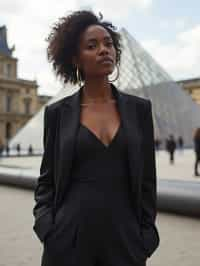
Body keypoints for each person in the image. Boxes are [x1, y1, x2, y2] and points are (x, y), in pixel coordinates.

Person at [33, 10, 159, 266]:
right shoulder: (57, 113)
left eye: (108, 43)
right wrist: (47, 228)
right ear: (75, 59)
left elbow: (147, 180)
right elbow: (46, 181)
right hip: (68, 240)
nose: (104, 50)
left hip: (126, 242)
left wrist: (147, 236)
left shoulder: (140, 109)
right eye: (92, 46)